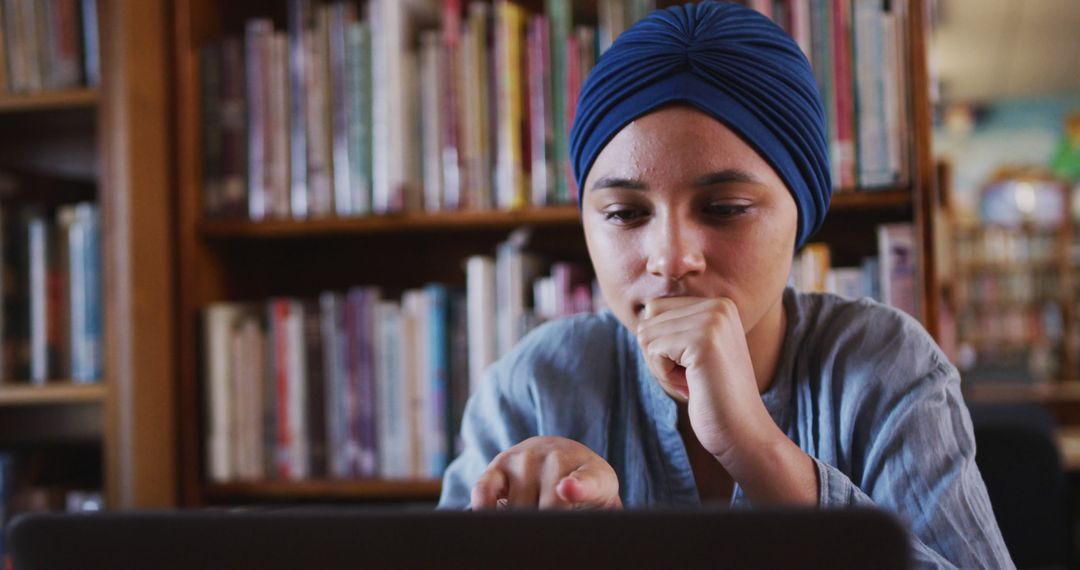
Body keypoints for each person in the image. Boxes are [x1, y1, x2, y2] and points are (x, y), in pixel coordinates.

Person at [438, 2, 1013, 567]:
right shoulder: (534, 388)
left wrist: (757, 450)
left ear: (800, 214)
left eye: (724, 208)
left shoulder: (883, 366)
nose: (669, 258)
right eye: (624, 214)